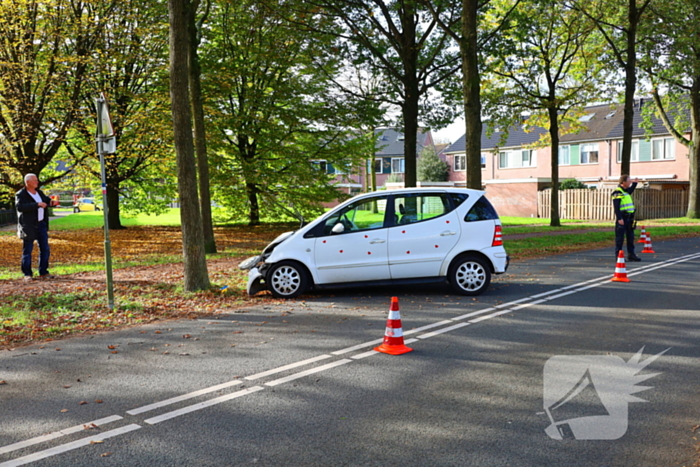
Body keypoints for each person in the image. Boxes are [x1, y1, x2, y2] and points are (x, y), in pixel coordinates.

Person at [15, 174, 59, 280]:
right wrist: (37, 204)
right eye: (35, 180)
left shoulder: (39, 192)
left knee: (45, 249)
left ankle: (43, 271)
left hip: (41, 224)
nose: (37, 182)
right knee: (28, 250)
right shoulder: (21, 194)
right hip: (28, 226)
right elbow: (20, 207)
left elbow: (45, 200)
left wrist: (51, 202)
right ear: (28, 182)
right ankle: (27, 274)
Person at [611, 174, 641, 261]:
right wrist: (619, 218)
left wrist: (635, 183)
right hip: (623, 217)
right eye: (629, 181)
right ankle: (618, 256)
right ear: (623, 182)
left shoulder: (625, 191)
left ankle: (631, 254)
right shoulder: (618, 192)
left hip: (629, 218)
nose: (630, 182)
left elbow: (630, 190)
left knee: (630, 237)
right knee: (620, 238)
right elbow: (616, 207)